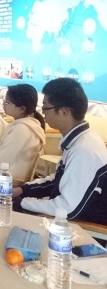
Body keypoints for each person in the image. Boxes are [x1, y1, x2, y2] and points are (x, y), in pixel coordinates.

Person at [13, 78, 107, 223]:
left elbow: (67, 208)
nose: (43, 113)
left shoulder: (83, 150)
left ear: (64, 111)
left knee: (10, 208)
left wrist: (22, 203)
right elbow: (59, 180)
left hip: (84, 229)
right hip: (70, 220)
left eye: (45, 107)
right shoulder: (80, 140)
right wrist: (23, 190)